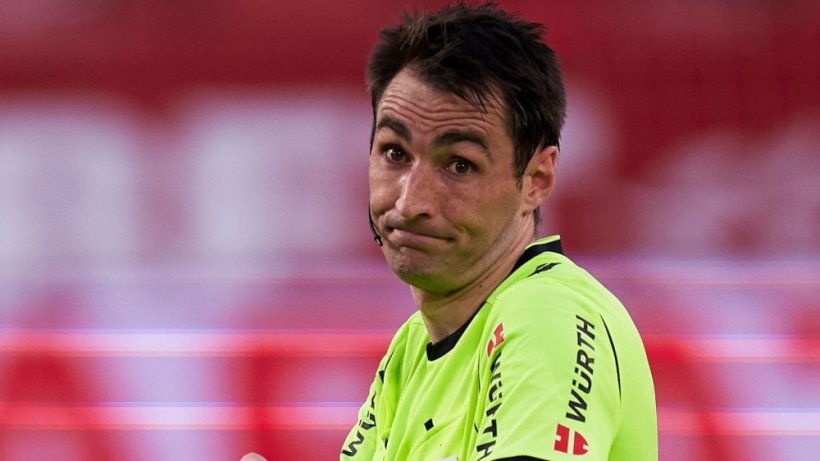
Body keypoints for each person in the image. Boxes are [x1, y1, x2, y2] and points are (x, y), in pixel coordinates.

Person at [243, 2, 656, 460]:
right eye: (395, 153)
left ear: (536, 179)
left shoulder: (546, 315)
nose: (410, 202)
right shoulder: (413, 347)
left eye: (459, 165)